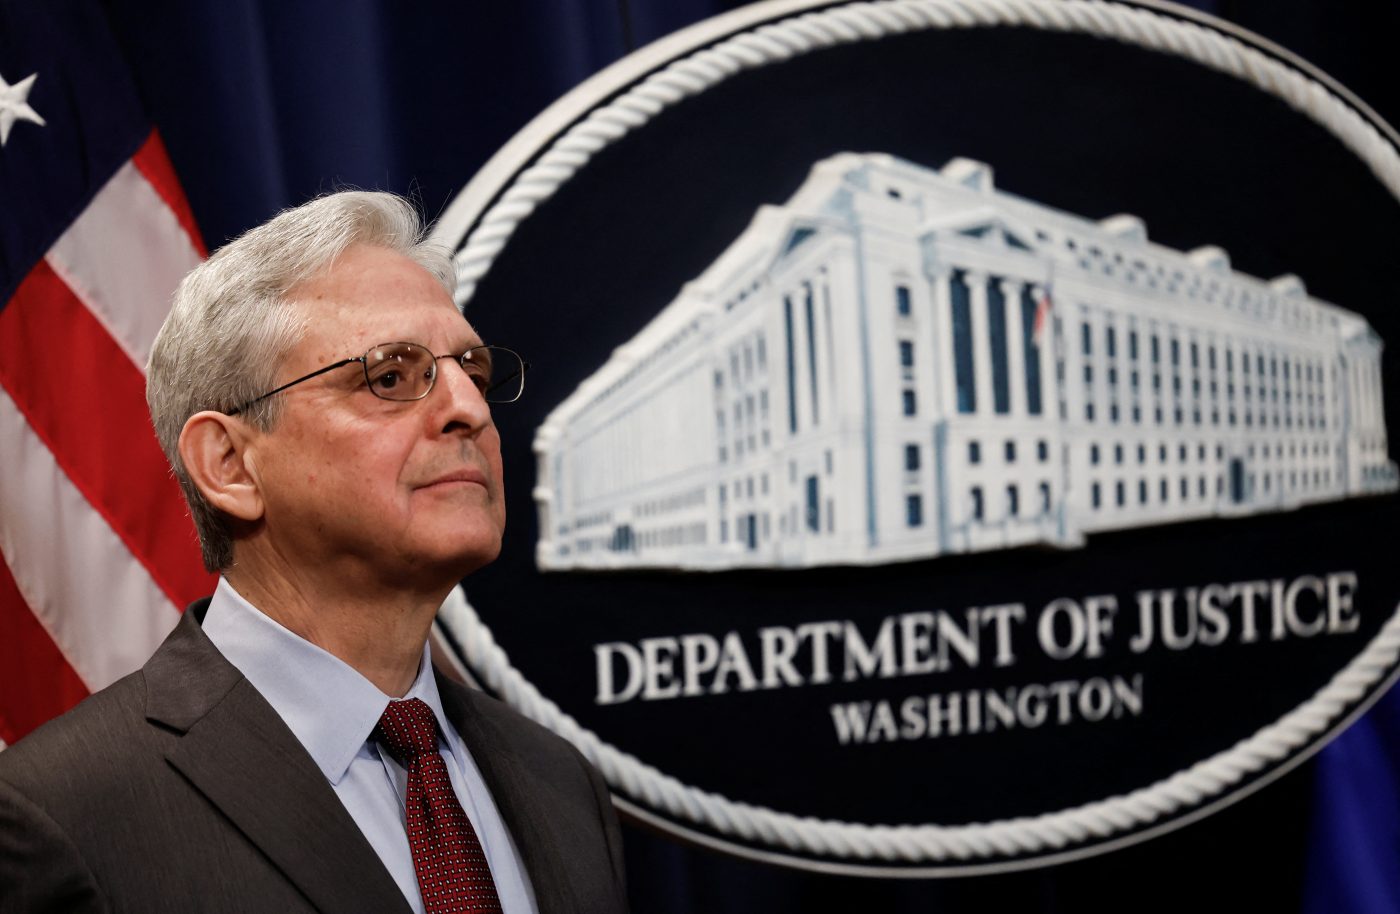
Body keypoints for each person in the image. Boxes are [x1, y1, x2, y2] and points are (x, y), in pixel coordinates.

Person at [0, 192, 629, 913]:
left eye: (473, 373)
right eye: (390, 376)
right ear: (230, 465)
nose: (471, 410)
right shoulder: (60, 815)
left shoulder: (561, 783)